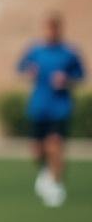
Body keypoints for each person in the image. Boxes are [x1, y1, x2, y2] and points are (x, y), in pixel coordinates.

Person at [18, 12, 84, 208]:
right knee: (37, 151)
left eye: (54, 28)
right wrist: (29, 72)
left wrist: (67, 80)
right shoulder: (35, 51)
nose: (50, 32)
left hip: (60, 107)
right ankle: (46, 170)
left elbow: (81, 76)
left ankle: (56, 186)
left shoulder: (69, 53)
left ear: (59, 30)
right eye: (47, 28)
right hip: (38, 107)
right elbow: (21, 69)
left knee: (55, 145)